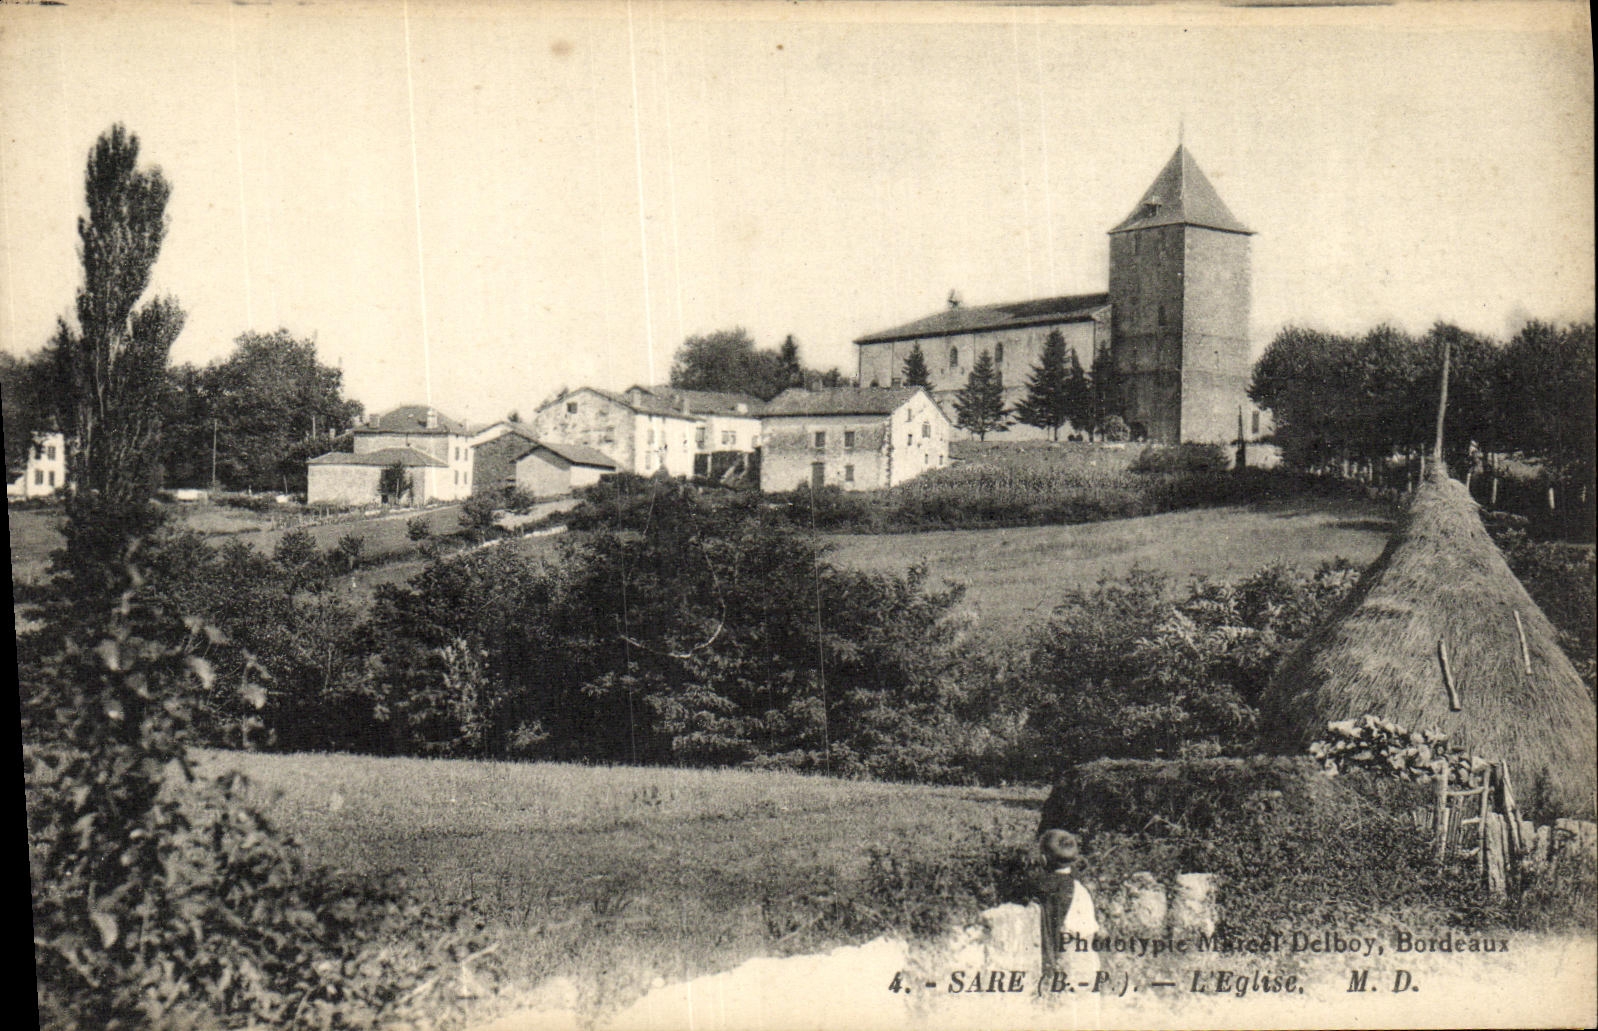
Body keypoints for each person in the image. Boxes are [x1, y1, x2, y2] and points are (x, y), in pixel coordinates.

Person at [1037, 828, 1100, 991]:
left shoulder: (1052, 889)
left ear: (1043, 859)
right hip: (1090, 961)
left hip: (1067, 962)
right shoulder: (1080, 885)